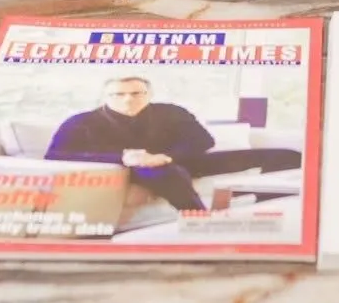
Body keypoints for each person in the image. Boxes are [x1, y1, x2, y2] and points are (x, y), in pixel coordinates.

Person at [44, 76, 300, 216]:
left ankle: (266, 209)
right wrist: (122, 157)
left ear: (149, 94)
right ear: (105, 97)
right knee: (169, 173)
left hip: (177, 159)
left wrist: (167, 155)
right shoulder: (81, 121)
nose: (128, 99)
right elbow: (55, 155)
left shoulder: (171, 112)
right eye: (118, 94)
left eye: (136, 93)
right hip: (130, 168)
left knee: (287, 155)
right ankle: (200, 222)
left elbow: (203, 140)